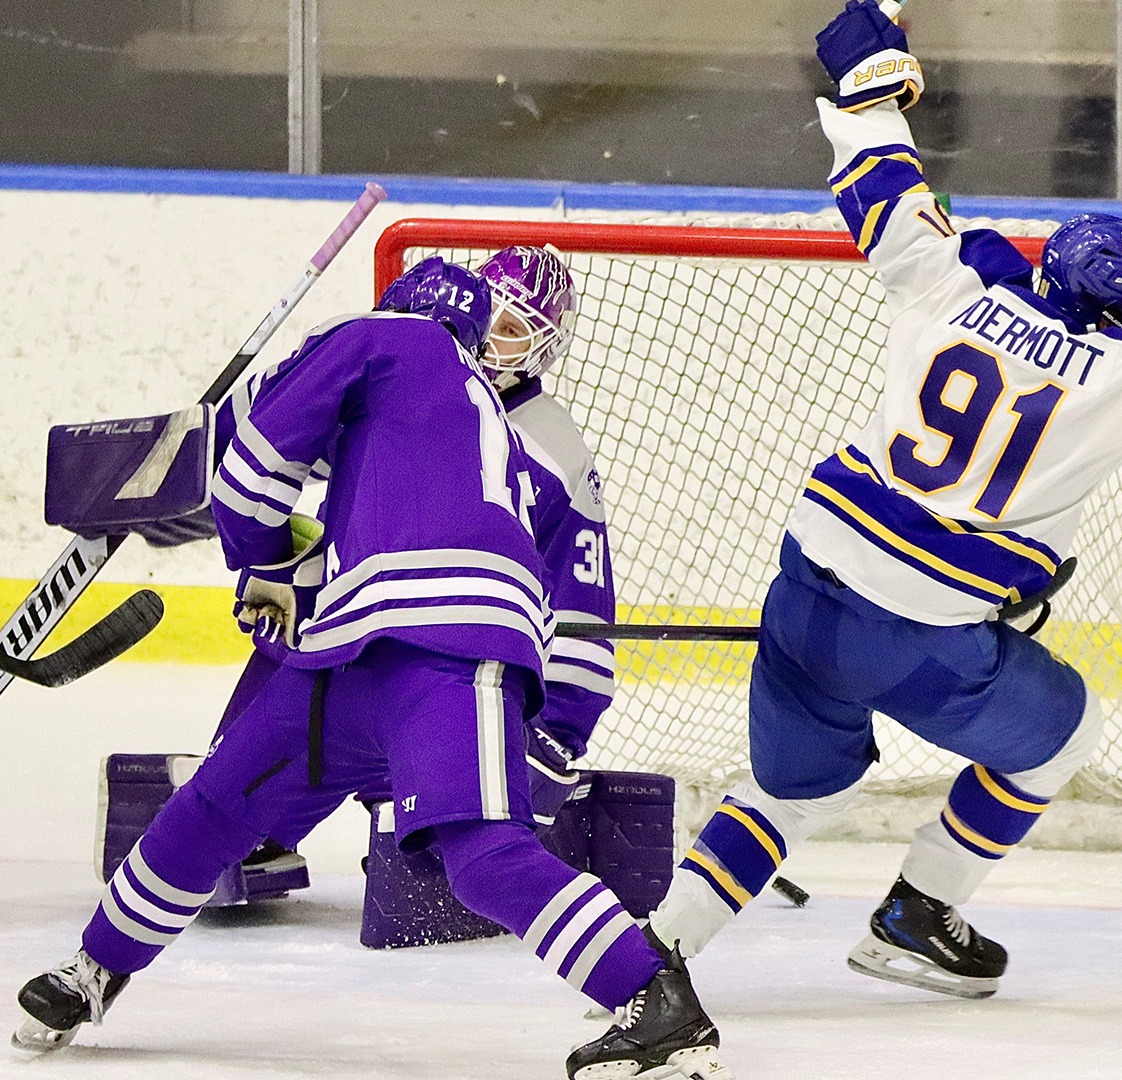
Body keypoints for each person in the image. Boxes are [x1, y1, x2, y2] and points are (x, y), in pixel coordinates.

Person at [644, 0, 1122, 1000]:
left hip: (805, 585)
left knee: (788, 797)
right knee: (1067, 733)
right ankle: (922, 908)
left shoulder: (956, 284)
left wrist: (870, 85)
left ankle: (649, 956)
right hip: (922, 631)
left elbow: (880, 185)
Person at [13, 258, 729, 1080]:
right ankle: (94, 970)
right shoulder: (477, 412)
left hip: (440, 646)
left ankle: (659, 1003)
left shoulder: (381, 340)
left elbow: (246, 475)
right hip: (370, 649)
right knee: (216, 802)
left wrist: (263, 560)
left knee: (473, 851)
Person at [183, 244, 616, 902]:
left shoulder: (552, 449)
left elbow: (579, 598)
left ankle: (457, 832)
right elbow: (279, 434)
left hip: (471, 672)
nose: (494, 346)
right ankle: (260, 822)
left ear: (542, 349)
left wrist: (557, 727)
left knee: (466, 827)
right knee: (298, 634)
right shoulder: (412, 379)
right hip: (366, 646)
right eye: (492, 320)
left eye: (515, 331)